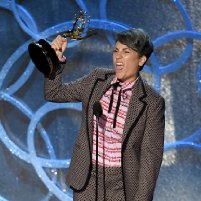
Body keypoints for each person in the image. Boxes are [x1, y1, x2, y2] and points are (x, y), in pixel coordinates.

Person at [44, 28, 165, 201]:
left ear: (141, 60)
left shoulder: (152, 102)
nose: (118, 57)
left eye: (126, 52)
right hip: (87, 178)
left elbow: (150, 159)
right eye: (116, 51)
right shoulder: (96, 80)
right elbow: (54, 93)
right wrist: (55, 61)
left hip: (122, 185)